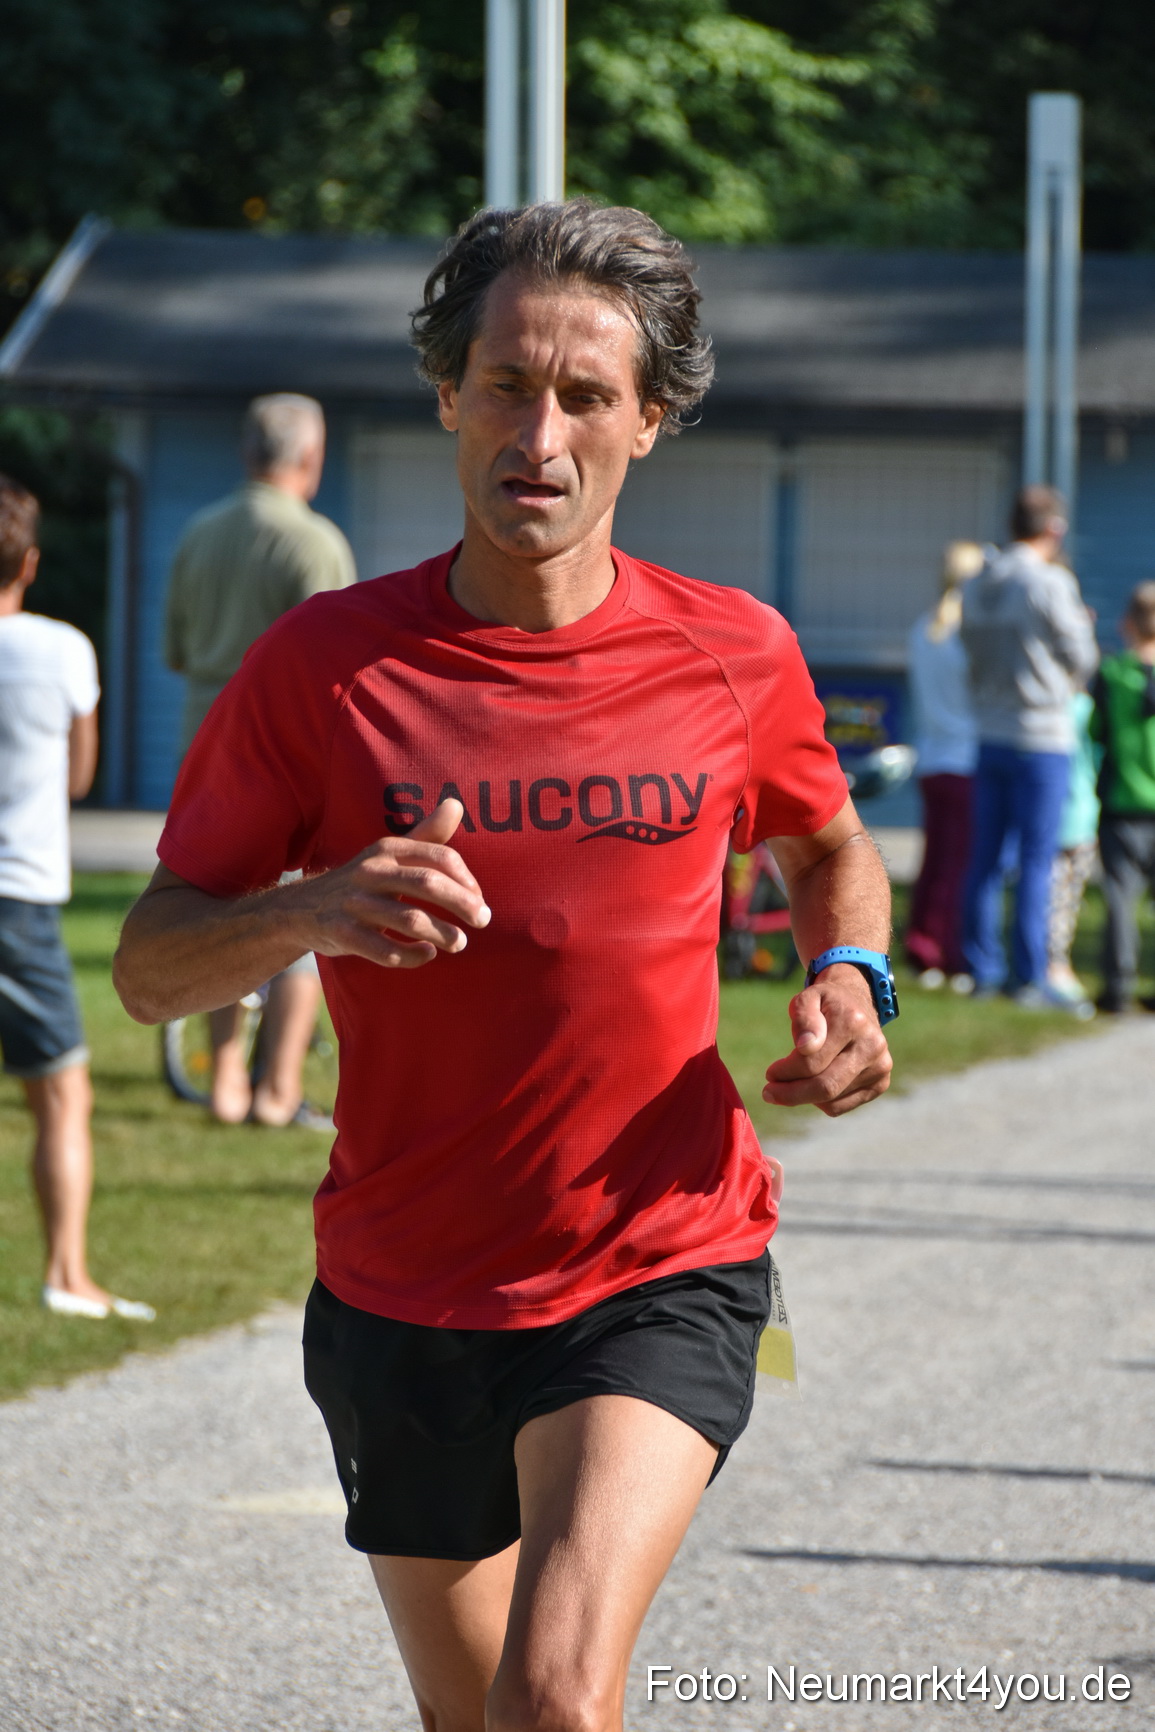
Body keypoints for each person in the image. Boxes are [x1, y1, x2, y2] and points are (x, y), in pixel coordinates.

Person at [115, 199, 894, 1732]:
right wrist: (311, 906)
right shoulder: (325, 668)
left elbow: (822, 843)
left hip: (658, 1259)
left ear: (648, 422)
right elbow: (147, 968)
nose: (537, 432)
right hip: (402, 1284)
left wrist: (853, 972)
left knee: (553, 1697)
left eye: (585, 395)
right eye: (504, 387)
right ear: (446, 398)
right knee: (474, 1719)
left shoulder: (731, 653)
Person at [164, 393, 356, 1126]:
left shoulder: (195, 534)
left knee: (216, 907)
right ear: (309, 458)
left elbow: (176, 649)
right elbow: (340, 674)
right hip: (286, 755)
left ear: (246, 454)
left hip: (200, 739)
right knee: (299, 914)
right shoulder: (314, 542)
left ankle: (223, 1085)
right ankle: (276, 1091)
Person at [0, 476, 153, 1321]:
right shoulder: (62, 650)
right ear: (29, 561)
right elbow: (81, 774)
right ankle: (66, 1271)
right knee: (61, 1092)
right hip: (19, 897)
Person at [959, 485, 1098, 1006]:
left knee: (986, 858)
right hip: (1040, 732)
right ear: (1053, 530)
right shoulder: (1049, 580)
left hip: (989, 728)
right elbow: (1081, 657)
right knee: (1038, 860)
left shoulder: (979, 581)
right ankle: (1030, 975)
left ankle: (982, 968)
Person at [904, 539, 984, 987]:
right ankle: (948, 952)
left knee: (935, 858)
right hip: (966, 759)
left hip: (933, 757)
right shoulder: (968, 636)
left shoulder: (924, 629)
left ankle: (922, 943)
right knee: (960, 863)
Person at [1090, 580, 1155, 1014]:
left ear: (1128, 624)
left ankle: (1118, 986)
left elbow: (1095, 731)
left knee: (1120, 898)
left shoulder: (1112, 675)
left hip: (1121, 804)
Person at [1045, 687, 1098, 1016]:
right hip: (1081, 814)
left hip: (1061, 814)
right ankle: (1056, 966)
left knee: (1054, 898)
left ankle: (1053, 964)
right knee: (1065, 899)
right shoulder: (1086, 706)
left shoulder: (1053, 705)